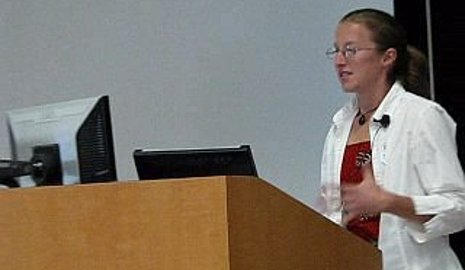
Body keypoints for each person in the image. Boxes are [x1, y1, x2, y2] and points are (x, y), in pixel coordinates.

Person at [317, 8, 465, 270]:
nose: (339, 61)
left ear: (387, 57)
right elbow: (334, 212)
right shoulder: (339, 126)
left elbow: (458, 207)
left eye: (350, 50)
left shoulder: (421, 116)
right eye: (336, 51)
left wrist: (390, 203)